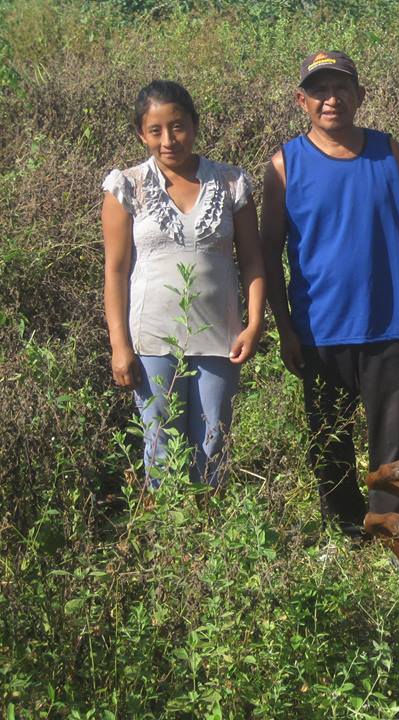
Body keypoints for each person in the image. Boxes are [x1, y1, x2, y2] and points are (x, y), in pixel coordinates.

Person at [261, 50, 399, 535]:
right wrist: (284, 327)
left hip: (388, 323)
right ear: (302, 100)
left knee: (394, 441)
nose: (331, 98)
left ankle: (392, 527)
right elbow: (268, 251)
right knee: (329, 440)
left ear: (360, 96)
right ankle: (345, 529)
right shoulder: (284, 165)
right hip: (319, 330)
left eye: (341, 88)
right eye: (319, 90)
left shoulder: (388, 152)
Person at [102, 80, 266, 487]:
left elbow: (252, 260)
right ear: (142, 134)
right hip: (152, 341)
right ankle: (168, 544)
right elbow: (116, 271)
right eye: (154, 130)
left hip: (220, 339)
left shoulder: (230, 183)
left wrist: (254, 323)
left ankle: (208, 537)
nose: (168, 139)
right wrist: (119, 344)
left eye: (177, 126)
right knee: (160, 446)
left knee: (214, 445)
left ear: (194, 124)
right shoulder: (128, 186)